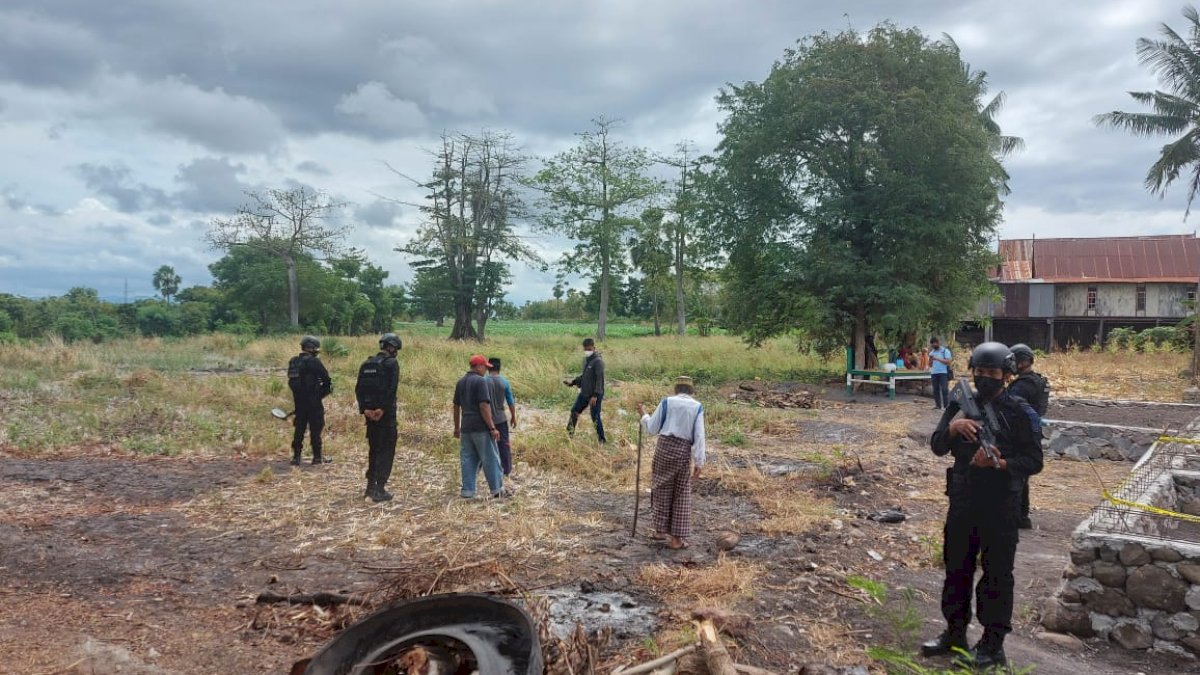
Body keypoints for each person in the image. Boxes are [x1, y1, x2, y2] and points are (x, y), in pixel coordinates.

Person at [921, 342, 1043, 670]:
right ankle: (955, 633)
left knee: (997, 576)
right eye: (981, 372)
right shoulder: (961, 402)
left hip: (1001, 507)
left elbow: (1034, 460)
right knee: (956, 570)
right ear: (973, 372)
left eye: (993, 373)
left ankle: (993, 645)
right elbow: (936, 445)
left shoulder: (1019, 411)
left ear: (1006, 374)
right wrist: (952, 427)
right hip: (963, 502)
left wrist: (1001, 464)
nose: (986, 378)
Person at [637, 376, 707, 550]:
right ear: (691, 391)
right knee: (681, 493)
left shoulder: (667, 402)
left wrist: (644, 415)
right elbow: (699, 436)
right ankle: (676, 539)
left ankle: (660, 531)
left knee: (661, 488)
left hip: (664, 448)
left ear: (676, 389)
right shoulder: (696, 406)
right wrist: (699, 462)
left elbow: (652, 428)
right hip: (683, 451)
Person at [1007, 343, 1050, 530]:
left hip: (1019, 435)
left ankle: (1018, 517)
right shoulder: (1039, 381)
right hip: (1031, 433)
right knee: (1022, 478)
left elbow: (1010, 409)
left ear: (1024, 362)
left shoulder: (1022, 386)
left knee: (1016, 477)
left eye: (1015, 361)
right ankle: (1022, 516)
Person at [356, 332, 401, 502]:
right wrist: (382, 409)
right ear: (392, 347)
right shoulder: (391, 364)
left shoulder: (366, 364)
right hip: (385, 416)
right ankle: (380, 488)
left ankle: (369, 487)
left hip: (369, 416)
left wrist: (365, 410)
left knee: (373, 450)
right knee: (386, 450)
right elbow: (392, 390)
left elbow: (359, 389)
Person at [453, 354, 507, 499]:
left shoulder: (461, 382)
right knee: (490, 458)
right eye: (485, 367)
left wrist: (457, 427)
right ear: (479, 366)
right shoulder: (481, 382)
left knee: (468, 459)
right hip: (481, 427)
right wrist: (492, 427)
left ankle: (468, 491)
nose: (486, 371)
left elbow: (456, 406)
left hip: (465, 427)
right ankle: (497, 490)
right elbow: (484, 406)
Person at [287, 335, 332, 466]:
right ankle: (317, 457)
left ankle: (296, 457)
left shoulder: (293, 361)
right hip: (314, 402)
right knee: (316, 429)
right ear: (312, 348)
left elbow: (292, 382)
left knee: (299, 429)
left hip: (299, 401)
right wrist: (320, 395)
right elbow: (327, 380)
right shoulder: (314, 362)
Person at [562, 338, 606, 443]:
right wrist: (573, 382)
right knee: (574, 412)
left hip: (595, 394)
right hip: (584, 393)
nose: (587, 351)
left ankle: (602, 440)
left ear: (594, 348)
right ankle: (569, 436)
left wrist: (595, 395)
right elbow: (585, 376)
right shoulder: (586, 360)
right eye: (585, 349)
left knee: (595, 417)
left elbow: (599, 379)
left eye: (589, 349)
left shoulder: (598, 362)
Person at [486, 357, 518, 478]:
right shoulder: (504, 382)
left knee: (486, 445)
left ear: (488, 367)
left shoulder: (483, 381)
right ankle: (506, 470)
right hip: (500, 418)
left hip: (486, 419)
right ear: (500, 368)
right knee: (503, 444)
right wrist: (513, 417)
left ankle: (487, 469)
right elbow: (510, 402)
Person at [928, 337, 953, 410]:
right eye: (932, 345)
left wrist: (937, 358)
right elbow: (930, 365)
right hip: (934, 373)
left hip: (943, 373)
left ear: (938, 343)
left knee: (944, 389)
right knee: (935, 389)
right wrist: (931, 359)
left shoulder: (945, 351)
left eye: (934, 344)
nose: (933, 346)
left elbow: (948, 362)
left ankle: (946, 406)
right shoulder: (932, 352)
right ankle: (938, 405)